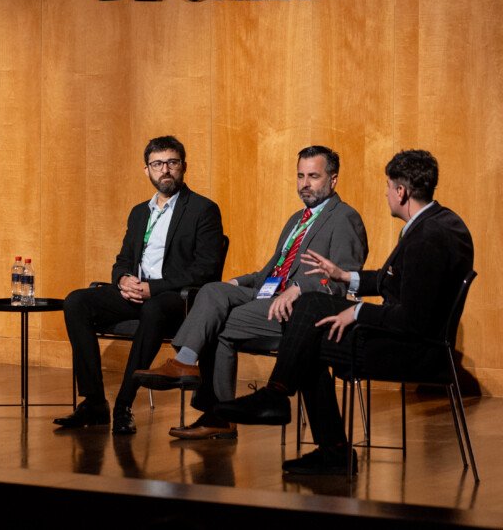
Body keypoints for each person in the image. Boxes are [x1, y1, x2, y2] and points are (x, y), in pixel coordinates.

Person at [215, 150, 474, 474]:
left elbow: (413, 319)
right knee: (310, 307)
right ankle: (281, 400)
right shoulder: (438, 222)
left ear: (401, 192)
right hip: (406, 335)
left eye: (388, 187)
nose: (385, 194)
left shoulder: (429, 238)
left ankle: (313, 430)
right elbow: (394, 281)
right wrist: (344, 276)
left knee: (308, 341)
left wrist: (358, 312)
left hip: (415, 350)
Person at [135, 146, 368, 440]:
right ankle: (186, 363)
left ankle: (214, 407)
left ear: (333, 179)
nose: (305, 184)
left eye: (313, 176)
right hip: (267, 294)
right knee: (213, 291)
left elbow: (342, 279)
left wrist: (297, 290)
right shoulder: (298, 218)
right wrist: (237, 283)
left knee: (220, 325)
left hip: (302, 309)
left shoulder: (345, 217)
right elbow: (269, 272)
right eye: (300, 176)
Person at [53, 136, 225, 435]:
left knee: (154, 308)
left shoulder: (202, 210)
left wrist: (152, 288)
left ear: (183, 167)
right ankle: (94, 403)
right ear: (147, 170)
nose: (165, 170)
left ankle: (123, 403)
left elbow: (205, 270)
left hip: (174, 298)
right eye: (157, 164)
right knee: (76, 301)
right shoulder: (139, 212)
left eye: (172, 163)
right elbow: (122, 260)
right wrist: (122, 279)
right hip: (136, 293)